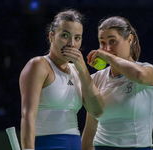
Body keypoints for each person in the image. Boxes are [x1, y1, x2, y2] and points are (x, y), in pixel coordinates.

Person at [19, 9, 104, 150]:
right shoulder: (39, 65)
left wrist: (83, 70)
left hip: (75, 145)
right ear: (51, 36)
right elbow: (27, 116)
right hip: (46, 146)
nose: (71, 43)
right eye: (65, 35)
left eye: (77, 38)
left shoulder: (77, 70)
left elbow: (97, 111)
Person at [81, 16, 153, 150]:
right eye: (102, 42)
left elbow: (139, 76)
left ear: (129, 40)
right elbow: (89, 129)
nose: (106, 48)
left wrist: (108, 57)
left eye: (112, 41)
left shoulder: (148, 69)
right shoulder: (96, 78)